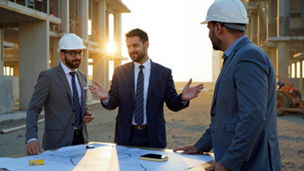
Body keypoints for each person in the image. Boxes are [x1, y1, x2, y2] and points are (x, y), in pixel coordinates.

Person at [174, 0, 281, 170]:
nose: (208, 34)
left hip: (251, 164)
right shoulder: (234, 57)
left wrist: (228, 164)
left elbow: (252, 116)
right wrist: (200, 146)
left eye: (209, 28)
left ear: (218, 28)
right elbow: (224, 117)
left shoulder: (248, 57)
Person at [89, 28, 204, 148]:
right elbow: (112, 104)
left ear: (146, 44)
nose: (132, 50)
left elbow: (172, 104)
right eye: (128, 47)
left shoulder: (163, 73)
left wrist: (183, 98)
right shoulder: (120, 72)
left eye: (135, 45)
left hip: (153, 137)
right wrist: (106, 97)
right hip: (125, 136)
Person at [26, 33, 94, 155]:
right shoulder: (48, 77)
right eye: (73, 53)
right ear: (62, 54)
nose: (78, 57)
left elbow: (78, 106)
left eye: (80, 53)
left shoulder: (82, 76)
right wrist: (32, 138)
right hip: (57, 142)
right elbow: (33, 109)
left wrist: (86, 114)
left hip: (81, 140)